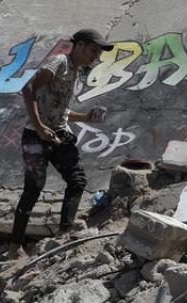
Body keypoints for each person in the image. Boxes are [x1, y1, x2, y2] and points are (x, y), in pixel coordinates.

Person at [11, 28, 112, 245]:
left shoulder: (75, 70)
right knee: (33, 189)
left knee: (77, 180)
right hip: (35, 136)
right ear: (80, 45)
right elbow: (28, 88)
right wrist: (39, 127)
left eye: (98, 53)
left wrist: (86, 117)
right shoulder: (59, 62)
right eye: (93, 50)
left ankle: (64, 233)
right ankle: (15, 246)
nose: (96, 56)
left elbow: (61, 109)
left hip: (58, 134)